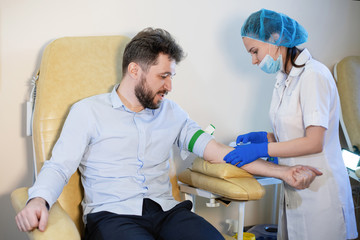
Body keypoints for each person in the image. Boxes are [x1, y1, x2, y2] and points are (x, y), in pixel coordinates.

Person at [15, 27, 321, 240]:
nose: (169, 86)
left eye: (171, 76)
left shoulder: (172, 113)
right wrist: (37, 201)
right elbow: (59, 166)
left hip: (168, 213)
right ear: (134, 71)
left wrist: (285, 173)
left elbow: (219, 152)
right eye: (163, 76)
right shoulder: (88, 113)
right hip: (113, 217)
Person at [224, 9, 358, 240]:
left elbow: (315, 141)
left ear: (276, 38)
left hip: (321, 193)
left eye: (255, 52)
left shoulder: (313, 75)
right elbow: (292, 133)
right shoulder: (283, 79)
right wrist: (265, 138)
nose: (254, 61)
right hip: (294, 188)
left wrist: (261, 150)